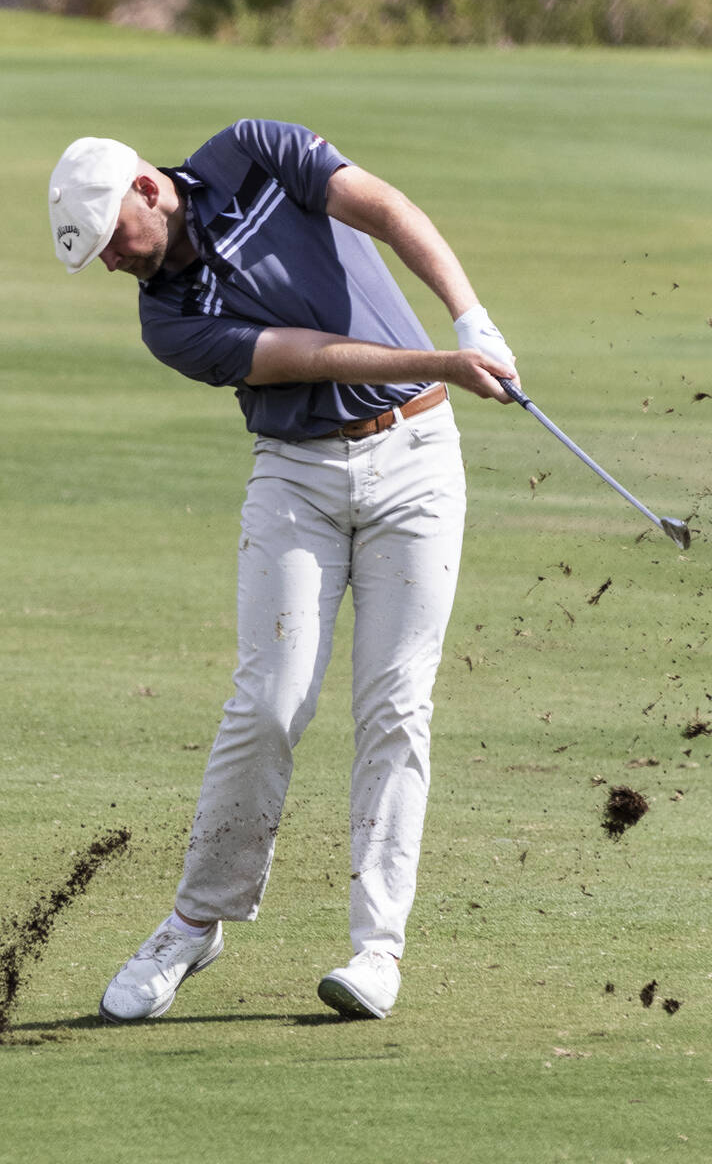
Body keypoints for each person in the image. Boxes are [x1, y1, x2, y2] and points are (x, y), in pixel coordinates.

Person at [48, 121, 519, 1021]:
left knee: (394, 703)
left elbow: (381, 208)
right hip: (296, 474)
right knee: (268, 700)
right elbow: (304, 354)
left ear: (146, 189)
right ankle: (196, 923)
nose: (111, 264)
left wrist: (469, 314)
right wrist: (446, 362)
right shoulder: (168, 321)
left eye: (111, 240)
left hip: (417, 461)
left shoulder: (254, 151)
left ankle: (377, 950)